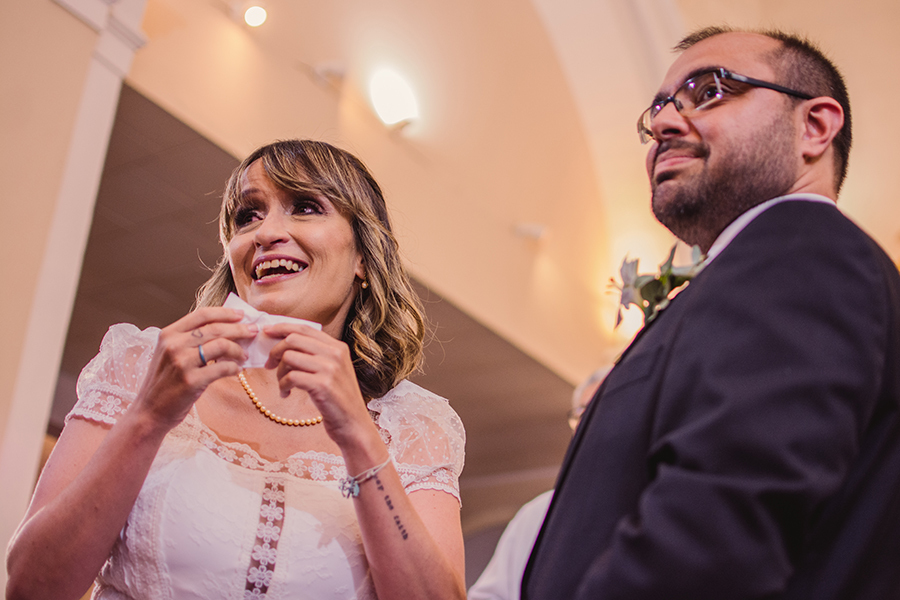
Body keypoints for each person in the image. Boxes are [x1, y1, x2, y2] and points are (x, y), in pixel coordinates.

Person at [523, 27, 900, 600]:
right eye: (658, 112)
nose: (665, 125)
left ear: (815, 126)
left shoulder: (805, 251)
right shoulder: (751, 273)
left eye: (710, 91)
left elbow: (717, 533)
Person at [6, 140, 467, 600]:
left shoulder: (413, 426)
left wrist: (359, 439)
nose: (266, 232)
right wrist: (148, 417)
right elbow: (30, 587)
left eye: (305, 207)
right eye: (248, 215)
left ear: (364, 257)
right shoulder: (142, 364)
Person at [468, 367, 609, 600]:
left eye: (605, 409)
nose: (592, 425)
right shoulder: (538, 513)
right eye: (583, 414)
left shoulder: (655, 501)